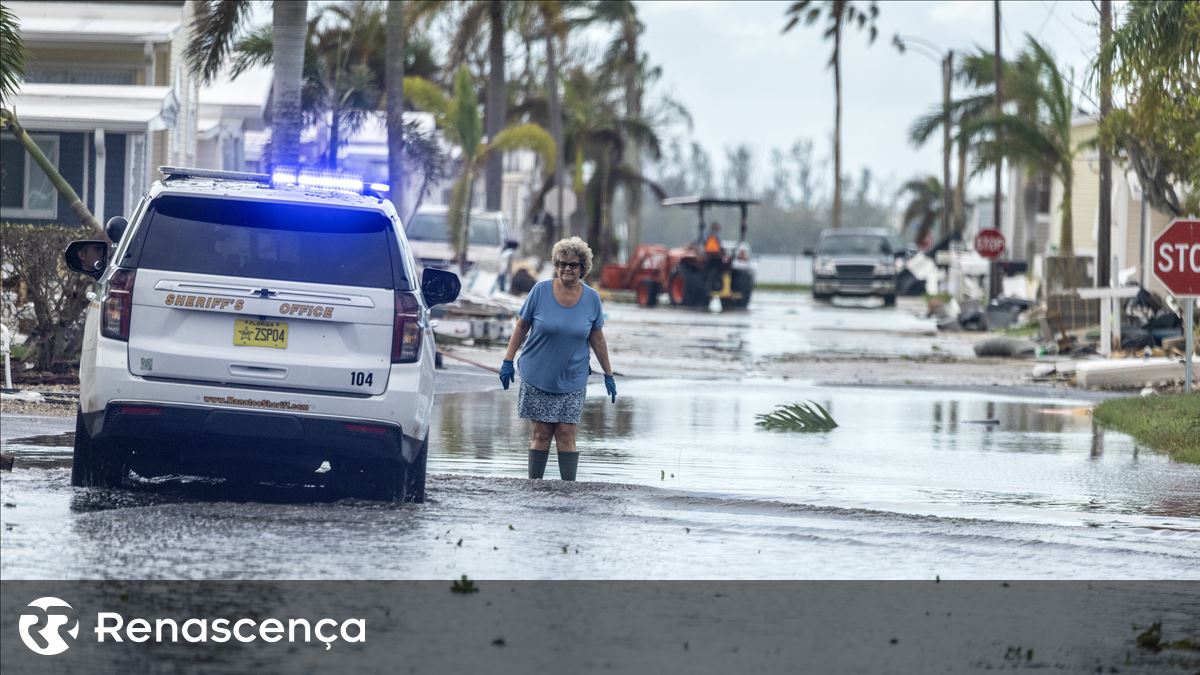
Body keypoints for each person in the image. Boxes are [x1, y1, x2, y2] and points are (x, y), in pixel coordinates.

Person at [498, 237, 616, 481]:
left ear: (583, 268)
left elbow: (598, 339)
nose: (566, 269)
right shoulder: (540, 291)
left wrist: (608, 374)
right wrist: (508, 360)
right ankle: (535, 487)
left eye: (573, 265)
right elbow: (521, 327)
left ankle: (568, 491)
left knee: (565, 433)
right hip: (537, 373)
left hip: (573, 377)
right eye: (562, 264)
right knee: (541, 433)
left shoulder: (592, 299)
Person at [703, 221, 725, 291]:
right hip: (713, 256)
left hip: (710, 255)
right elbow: (719, 245)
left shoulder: (707, 234)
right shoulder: (715, 235)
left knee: (708, 272)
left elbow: (703, 242)